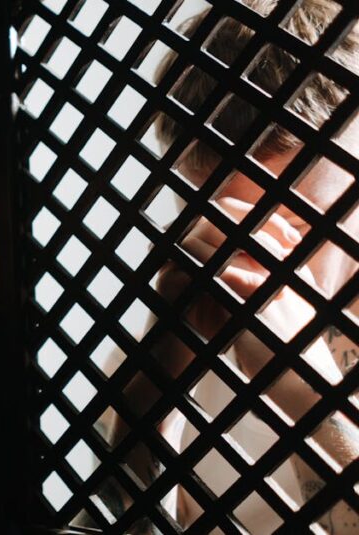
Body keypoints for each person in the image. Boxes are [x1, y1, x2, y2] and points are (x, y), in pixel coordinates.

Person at [100, 0, 359, 532]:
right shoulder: (155, 353)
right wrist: (146, 421)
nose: (253, 261)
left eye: (294, 224)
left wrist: (313, 400)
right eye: (220, 225)